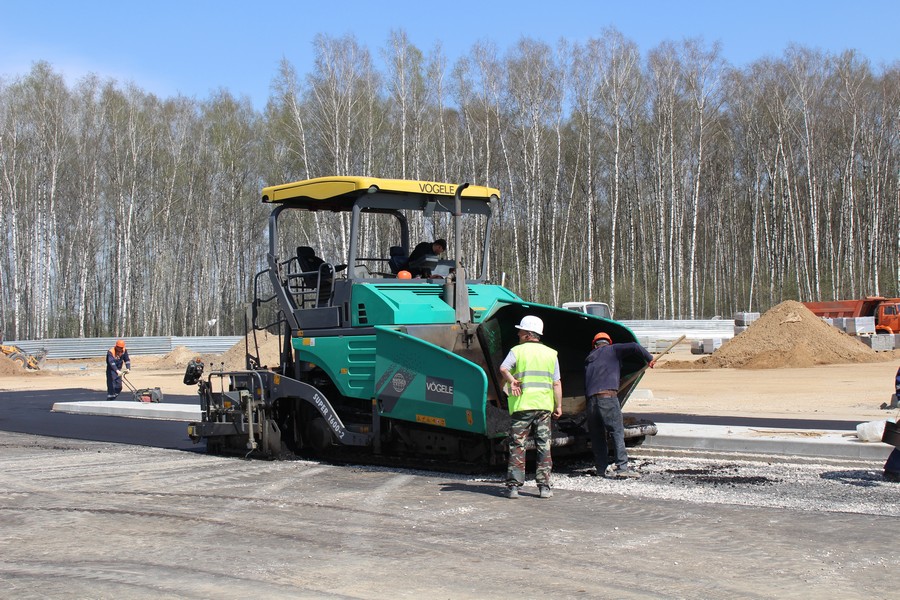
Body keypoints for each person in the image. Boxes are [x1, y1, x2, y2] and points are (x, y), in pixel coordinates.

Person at [498, 315, 563, 499]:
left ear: (528, 334)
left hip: (522, 406)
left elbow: (503, 368)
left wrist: (512, 380)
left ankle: (514, 487)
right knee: (544, 445)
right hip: (543, 407)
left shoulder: (517, 351)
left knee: (518, 445)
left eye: (520, 331)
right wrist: (558, 405)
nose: (518, 334)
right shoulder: (551, 353)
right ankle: (544, 487)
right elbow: (556, 383)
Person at [584, 331, 655, 479]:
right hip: (607, 398)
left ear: (595, 345)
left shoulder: (589, 358)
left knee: (597, 436)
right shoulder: (613, 349)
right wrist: (649, 358)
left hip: (591, 402)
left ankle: (601, 469)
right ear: (608, 342)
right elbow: (634, 346)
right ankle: (622, 468)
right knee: (616, 432)